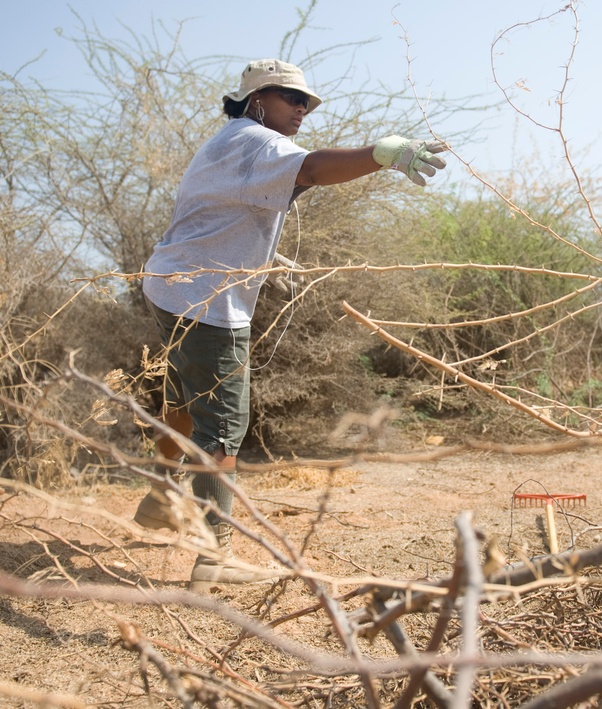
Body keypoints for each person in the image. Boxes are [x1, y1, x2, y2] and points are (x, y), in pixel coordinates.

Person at [135, 58, 447, 592]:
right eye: (292, 99)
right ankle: (215, 554)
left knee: (186, 399)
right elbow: (310, 170)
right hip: (208, 301)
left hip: (171, 286)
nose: (303, 110)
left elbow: (252, 201)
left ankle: (161, 495)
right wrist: (381, 154)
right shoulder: (255, 139)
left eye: (307, 102)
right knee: (224, 423)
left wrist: (257, 257)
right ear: (258, 99)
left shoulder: (231, 141)